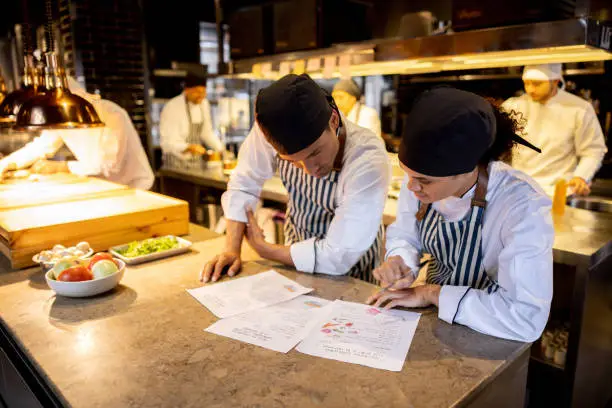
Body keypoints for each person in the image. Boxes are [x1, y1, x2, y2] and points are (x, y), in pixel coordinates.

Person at [367, 87, 553, 342]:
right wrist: (400, 262)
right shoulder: (422, 186)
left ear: (468, 170)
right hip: (433, 322)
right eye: (408, 174)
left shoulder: (521, 205)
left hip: (491, 335)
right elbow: (406, 234)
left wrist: (432, 294)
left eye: (424, 180)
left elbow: (525, 318)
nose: (411, 187)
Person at [201, 74, 390, 284]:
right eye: (293, 162)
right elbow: (244, 184)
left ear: (334, 120)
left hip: (353, 278)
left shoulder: (367, 158)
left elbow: (338, 256)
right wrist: (231, 250)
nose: (309, 170)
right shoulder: (273, 127)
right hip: (295, 267)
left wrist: (265, 250)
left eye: (314, 153)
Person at [0, 78, 154, 189]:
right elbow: (41, 147)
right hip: (102, 187)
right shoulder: (62, 117)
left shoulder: (112, 114)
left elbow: (107, 166)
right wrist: (5, 163)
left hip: (135, 187)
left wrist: (61, 167)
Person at [502, 64, 607, 196]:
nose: (530, 89)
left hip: (557, 193)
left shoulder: (579, 109)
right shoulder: (512, 106)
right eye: (526, 83)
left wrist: (581, 176)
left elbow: (593, 150)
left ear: (555, 81)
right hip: (519, 190)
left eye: (537, 84)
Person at [159, 73, 223, 169]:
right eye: (197, 92)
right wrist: (188, 147)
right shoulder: (172, 107)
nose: (201, 96)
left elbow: (206, 133)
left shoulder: (204, 104)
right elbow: (167, 142)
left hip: (196, 164)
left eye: (203, 92)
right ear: (187, 90)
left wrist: (221, 149)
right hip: (175, 165)